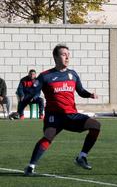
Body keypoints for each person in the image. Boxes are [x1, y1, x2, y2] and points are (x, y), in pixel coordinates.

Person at [24, 44, 101, 176]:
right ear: (55, 57)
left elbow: (80, 91)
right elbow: (31, 93)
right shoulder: (45, 76)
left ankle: (81, 157)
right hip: (54, 116)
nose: (67, 57)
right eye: (63, 54)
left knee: (96, 125)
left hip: (71, 115)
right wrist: (21, 107)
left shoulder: (73, 74)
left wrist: (90, 95)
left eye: (68, 54)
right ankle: (31, 166)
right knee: (48, 136)